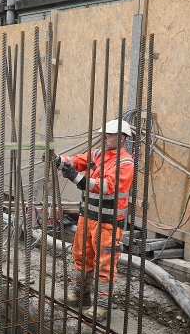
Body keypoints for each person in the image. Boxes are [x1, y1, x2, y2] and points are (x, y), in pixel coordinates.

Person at [55, 119, 135, 322]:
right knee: (82, 256)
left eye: (108, 135)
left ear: (122, 138)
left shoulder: (125, 163)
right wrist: (58, 160)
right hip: (87, 217)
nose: (104, 137)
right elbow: (77, 161)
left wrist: (76, 178)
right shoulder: (98, 155)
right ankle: (81, 294)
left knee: (105, 264)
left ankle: (101, 306)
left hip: (108, 222)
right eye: (104, 134)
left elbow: (105, 186)